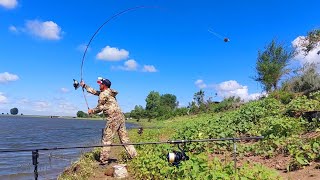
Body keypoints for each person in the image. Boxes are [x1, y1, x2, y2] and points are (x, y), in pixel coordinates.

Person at [80, 77, 137, 164]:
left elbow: (100, 107)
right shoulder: (109, 92)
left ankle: (103, 160)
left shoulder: (103, 94)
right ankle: (134, 156)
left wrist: (91, 111)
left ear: (104, 85)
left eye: (100, 84)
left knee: (107, 139)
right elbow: (95, 92)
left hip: (113, 119)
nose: (99, 85)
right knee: (125, 139)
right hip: (121, 117)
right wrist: (84, 86)